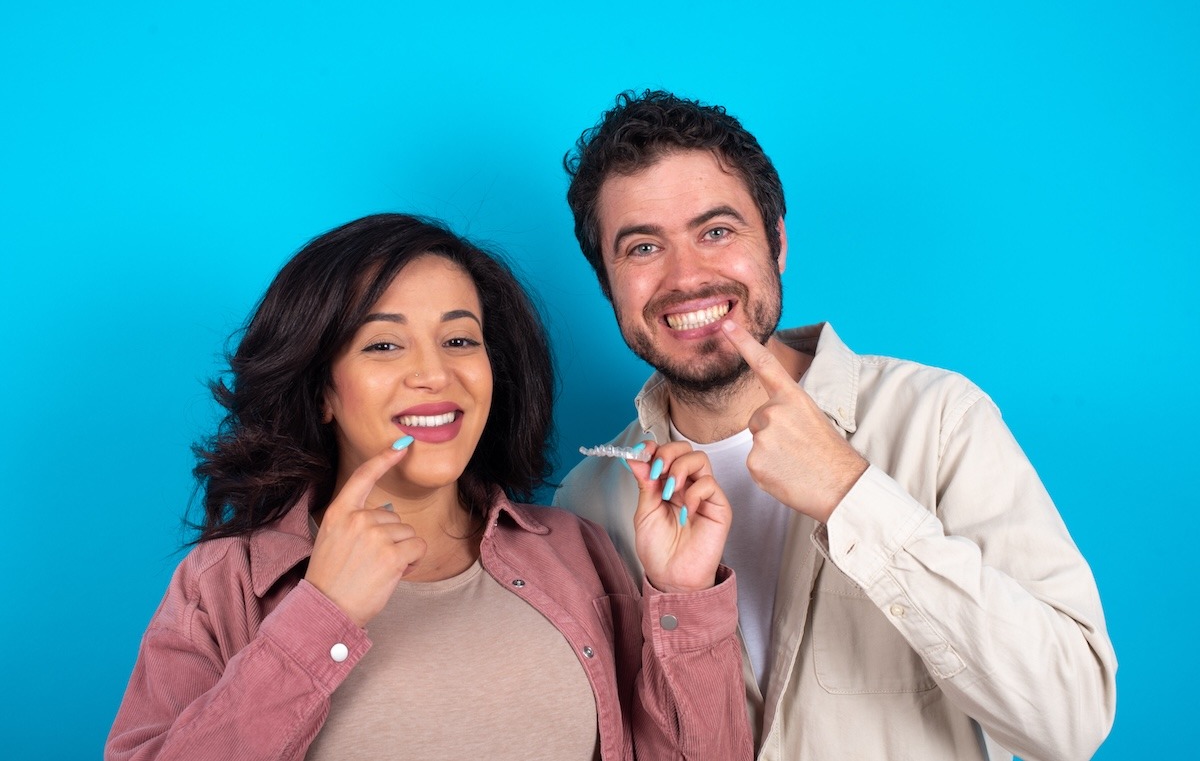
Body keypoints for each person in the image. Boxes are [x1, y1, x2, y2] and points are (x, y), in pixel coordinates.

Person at [553, 91, 1117, 761]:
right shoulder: (588, 500)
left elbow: (1071, 720)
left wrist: (853, 495)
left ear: (779, 241)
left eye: (716, 231)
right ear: (609, 283)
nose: (687, 277)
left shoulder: (939, 418)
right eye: (643, 246)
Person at [107, 213, 752, 761]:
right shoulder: (222, 583)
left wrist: (683, 595)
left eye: (459, 339)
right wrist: (320, 615)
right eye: (384, 345)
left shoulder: (576, 550)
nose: (433, 374)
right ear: (323, 391)